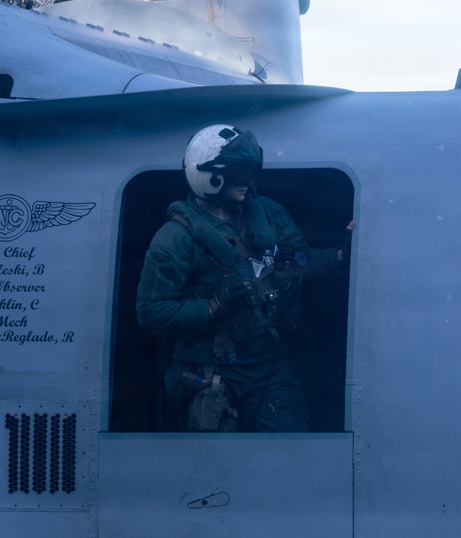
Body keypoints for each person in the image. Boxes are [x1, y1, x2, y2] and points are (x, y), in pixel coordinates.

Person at [136, 124, 352, 433]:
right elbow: (149, 311)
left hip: (267, 365)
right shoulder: (175, 239)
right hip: (209, 371)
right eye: (239, 174)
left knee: (293, 445)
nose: (248, 181)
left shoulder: (267, 213)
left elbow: (299, 260)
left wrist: (341, 256)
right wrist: (213, 306)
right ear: (211, 178)